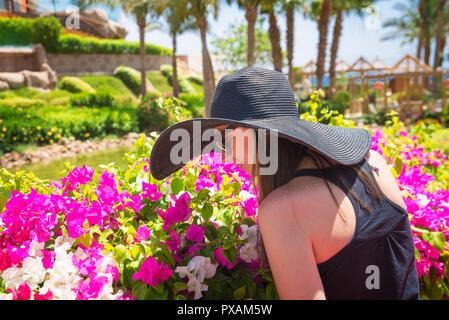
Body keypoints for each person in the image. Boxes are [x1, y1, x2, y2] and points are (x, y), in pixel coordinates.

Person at [149, 67, 420, 300]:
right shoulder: (375, 163)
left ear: (248, 135)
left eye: (227, 141)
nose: (226, 156)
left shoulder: (283, 209)